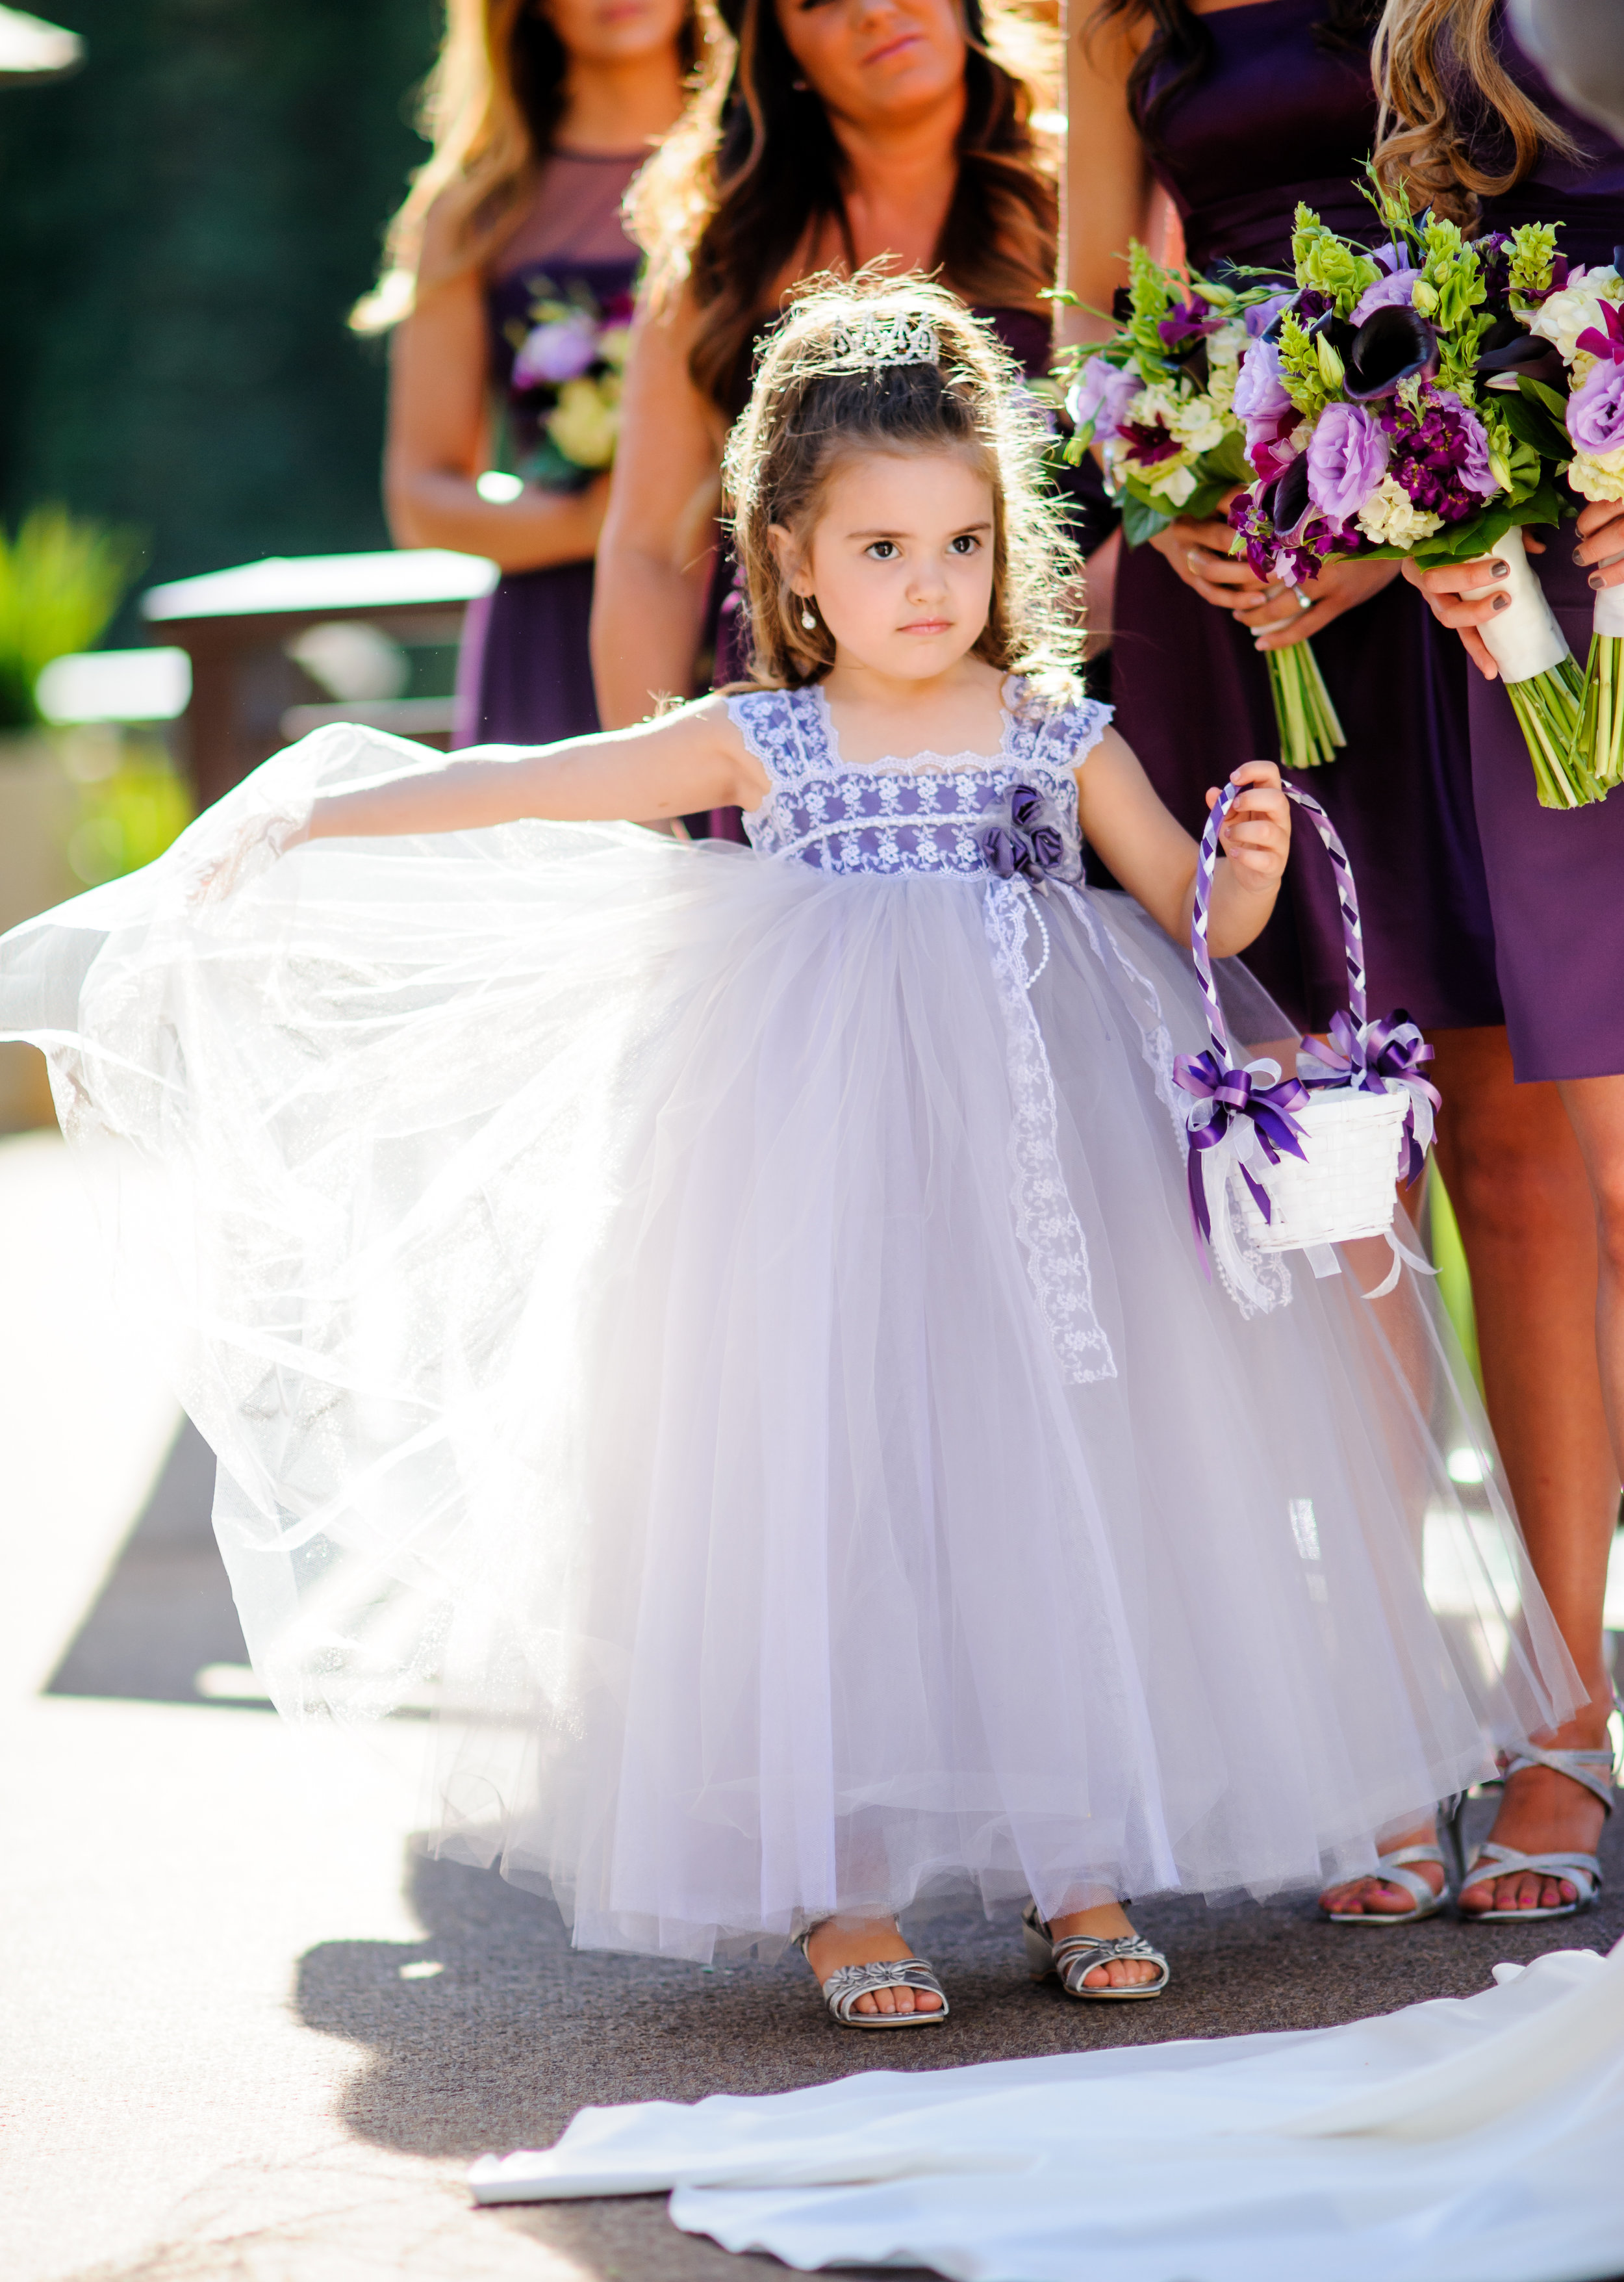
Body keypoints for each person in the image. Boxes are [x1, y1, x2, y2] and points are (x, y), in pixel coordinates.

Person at [0, 279, 1578, 2023]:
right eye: (884, 548)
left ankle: (1079, 1856)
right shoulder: (767, 736)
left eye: (964, 543)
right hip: (824, 1170)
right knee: (837, 1488)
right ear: (792, 563)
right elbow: (537, 775)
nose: (930, 586)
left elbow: (1194, 919)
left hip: (1049, 1164)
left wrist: (1255, 857)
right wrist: (323, 806)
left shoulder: (1056, 729)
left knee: (1058, 1485)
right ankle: (844, 1886)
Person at [1065, 0, 1618, 1929]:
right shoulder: (1109, 16)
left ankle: (1558, 1719)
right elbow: (1093, 310)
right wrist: (1168, 498)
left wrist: (1394, 513)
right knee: (1322, 1183)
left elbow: (1517, 214)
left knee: (1512, 1155)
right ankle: (1380, 1726)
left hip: (1448, 537)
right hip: (1229, 585)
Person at [1374, 0, 1624, 1920]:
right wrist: (1423, 511)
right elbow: (1402, 305)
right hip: (1536, 650)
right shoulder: (1430, 33)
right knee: (1605, 1171)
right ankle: (1570, 1716)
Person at [589, 0, 1115, 836]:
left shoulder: (1087, 202)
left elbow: (1158, 462)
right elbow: (648, 548)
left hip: (1065, 705)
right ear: (778, 47)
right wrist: (647, 821)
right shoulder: (719, 257)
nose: (874, 10)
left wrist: (1006, 669)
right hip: (806, 746)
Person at [358, 0, 711, 746]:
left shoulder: (765, 174)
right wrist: (603, 521)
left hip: (754, 611)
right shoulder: (476, 210)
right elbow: (420, 499)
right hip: (555, 638)